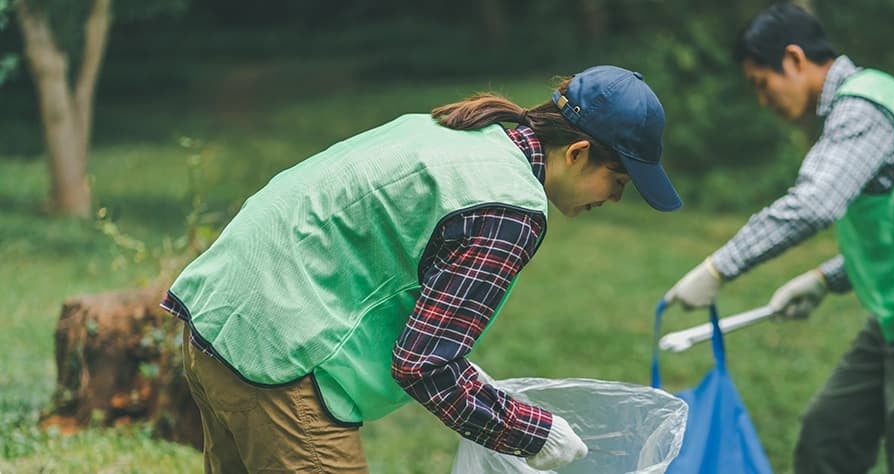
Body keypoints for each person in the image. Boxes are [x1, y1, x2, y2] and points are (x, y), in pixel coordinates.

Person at [161, 65, 680, 472]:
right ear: (578, 152)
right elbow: (424, 366)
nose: (613, 199)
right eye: (619, 182)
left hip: (219, 313)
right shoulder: (511, 209)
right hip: (281, 354)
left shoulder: (467, 132)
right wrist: (531, 432)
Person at [661, 4, 894, 473]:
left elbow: (814, 204)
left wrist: (720, 267)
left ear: (794, 60)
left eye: (761, 83)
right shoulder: (863, 105)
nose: (762, 99)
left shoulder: (862, 107)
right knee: (828, 437)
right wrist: (823, 278)